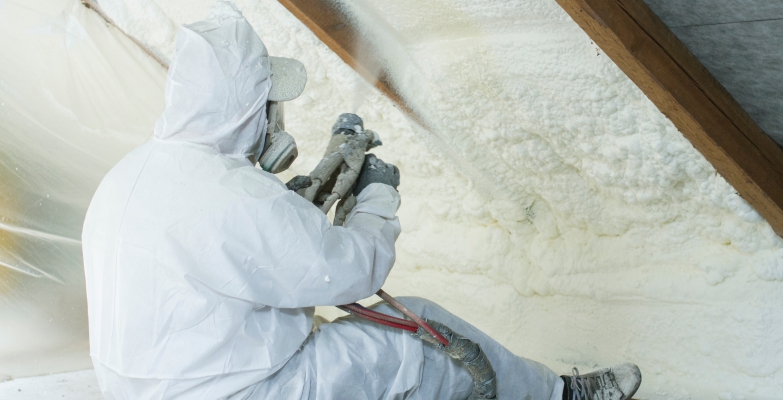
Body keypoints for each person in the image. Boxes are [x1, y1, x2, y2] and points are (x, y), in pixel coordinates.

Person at [81, 2, 641, 399]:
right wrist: (377, 197)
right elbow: (348, 274)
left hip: (148, 385)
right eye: (267, 103)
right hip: (241, 390)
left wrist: (299, 205)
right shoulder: (233, 195)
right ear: (244, 108)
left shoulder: (134, 174)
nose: (273, 118)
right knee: (420, 333)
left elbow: (240, 254)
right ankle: (560, 398)